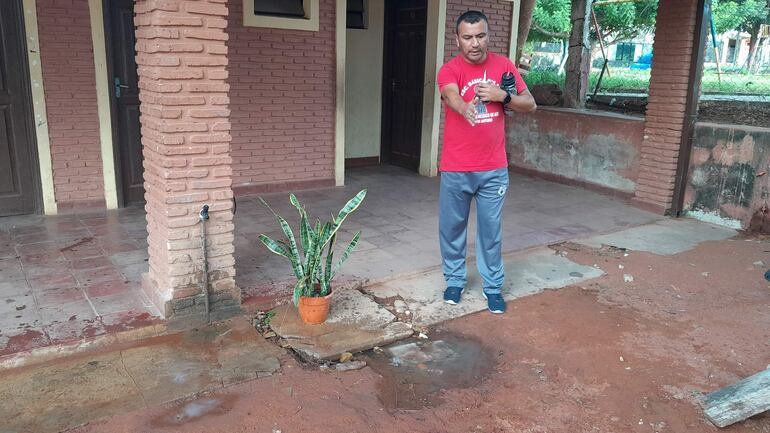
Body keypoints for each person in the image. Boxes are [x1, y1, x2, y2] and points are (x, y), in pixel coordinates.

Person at [437, 10, 537, 314]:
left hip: (493, 169)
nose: (474, 43)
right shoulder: (449, 69)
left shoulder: (504, 66)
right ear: (457, 40)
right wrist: (464, 106)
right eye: (467, 37)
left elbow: (530, 104)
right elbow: (451, 94)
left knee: (490, 231)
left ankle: (492, 287)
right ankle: (454, 280)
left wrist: (501, 95)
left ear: (488, 36)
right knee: (452, 228)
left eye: (480, 35)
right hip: (456, 167)